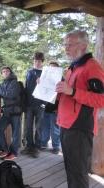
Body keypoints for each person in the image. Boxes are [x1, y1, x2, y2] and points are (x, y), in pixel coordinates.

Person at [56, 30, 104, 188]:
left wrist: (73, 91)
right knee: (71, 171)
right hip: (65, 125)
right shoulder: (73, 67)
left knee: (78, 174)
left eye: (70, 44)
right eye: (65, 44)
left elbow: (101, 99)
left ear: (83, 45)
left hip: (79, 128)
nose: (66, 48)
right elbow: (67, 95)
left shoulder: (92, 67)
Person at [22, 52, 46, 158]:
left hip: (40, 104)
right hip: (29, 105)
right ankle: (29, 147)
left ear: (42, 62)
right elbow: (27, 88)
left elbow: (49, 89)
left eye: (39, 61)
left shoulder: (45, 73)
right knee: (28, 127)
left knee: (38, 127)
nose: (37, 62)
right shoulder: (29, 72)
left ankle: (37, 148)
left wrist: (43, 83)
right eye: (35, 60)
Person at [0, 66, 22, 160]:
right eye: (3, 71)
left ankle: (14, 153)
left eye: (7, 71)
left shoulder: (15, 82)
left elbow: (11, 95)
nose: (5, 72)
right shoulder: (2, 84)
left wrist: (0, 91)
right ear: (2, 74)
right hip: (6, 112)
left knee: (15, 134)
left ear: (10, 72)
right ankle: (4, 150)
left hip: (16, 111)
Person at [40, 62, 61, 154]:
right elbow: (40, 93)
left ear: (57, 69)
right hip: (45, 108)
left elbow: (63, 96)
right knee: (45, 128)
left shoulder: (61, 79)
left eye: (54, 68)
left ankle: (56, 146)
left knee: (55, 129)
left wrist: (59, 108)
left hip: (55, 109)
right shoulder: (44, 78)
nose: (52, 69)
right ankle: (44, 143)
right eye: (50, 67)